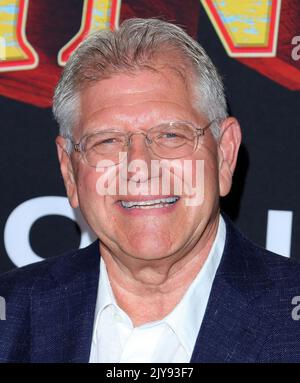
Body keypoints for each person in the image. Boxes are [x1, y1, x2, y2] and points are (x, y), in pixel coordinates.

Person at [1, 18, 300, 363]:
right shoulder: (10, 320)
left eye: (171, 135)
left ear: (225, 154)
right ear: (69, 169)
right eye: (107, 140)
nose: (139, 166)